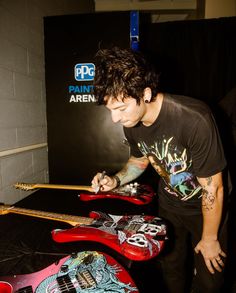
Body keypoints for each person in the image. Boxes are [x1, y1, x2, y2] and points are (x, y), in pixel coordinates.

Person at [91, 46, 228, 293]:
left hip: (206, 210)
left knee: (210, 281)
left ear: (145, 93)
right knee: (171, 271)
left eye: (120, 108)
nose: (114, 119)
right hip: (170, 207)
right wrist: (115, 180)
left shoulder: (194, 118)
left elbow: (213, 189)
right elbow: (138, 162)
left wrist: (209, 238)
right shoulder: (132, 124)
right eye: (110, 110)